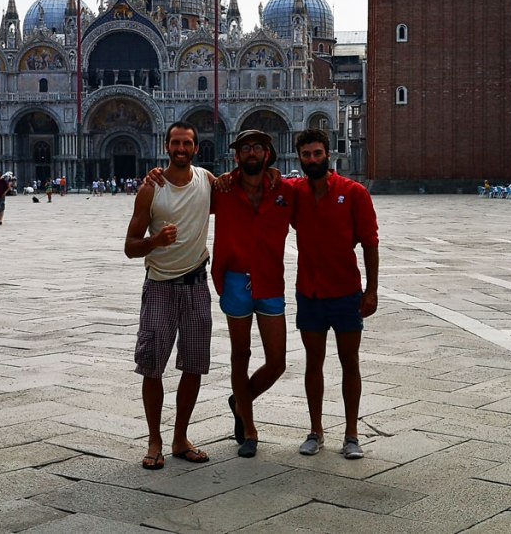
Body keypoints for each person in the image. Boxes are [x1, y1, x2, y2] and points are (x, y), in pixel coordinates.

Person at [124, 121, 213, 470]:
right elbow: (130, 247)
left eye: (187, 143)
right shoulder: (151, 189)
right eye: (175, 142)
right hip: (159, 286)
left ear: (195, 148)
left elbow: (242, 193)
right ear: (166, 146)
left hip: (197, 285)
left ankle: (180, 437)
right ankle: (154, 440)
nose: (181, 148)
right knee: (152, 367)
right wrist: (155, 241)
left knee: (193, 366)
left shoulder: (207, 182)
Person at [291, 128, 379, 460]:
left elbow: (370, 244)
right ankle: (315, 431)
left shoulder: (354, 193)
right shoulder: (295, 192)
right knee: (313, 364)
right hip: (309, 293)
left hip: (345, 293)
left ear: (328, 154)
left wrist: (371, 291)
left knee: (350, 363)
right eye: (306, 154)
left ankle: (352, 434)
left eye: (317, 153)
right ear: (299, 158)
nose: (312, 159)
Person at [212, 129, 295, 458]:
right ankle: (249, 429)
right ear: (236, 156)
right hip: (234, 281)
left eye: (257, 148)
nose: (251, 153)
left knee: (277, 362)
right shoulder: (222, 189)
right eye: (245, 148)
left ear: (268, 155)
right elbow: (185, 190)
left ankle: (239, 400)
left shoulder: (285, 190)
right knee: (240, 355)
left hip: (271, 280)